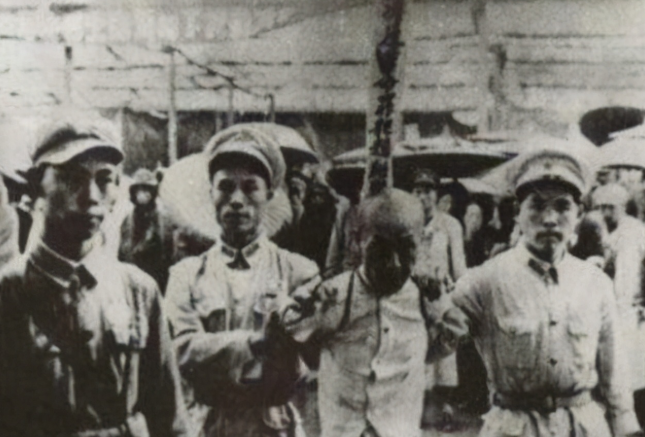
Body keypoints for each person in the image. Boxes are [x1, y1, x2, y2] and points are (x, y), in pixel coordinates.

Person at [0, 117, 191, 437]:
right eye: (72, 179)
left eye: (105, 179)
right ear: (36, 186)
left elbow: (169, 420)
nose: (90, 196)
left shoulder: (138, 291)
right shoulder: (9, 293)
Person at [446, 149, 641, 437]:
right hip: (513, 427)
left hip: (582, 426)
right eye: (537, 206)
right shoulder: (485, 281)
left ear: (579, 214)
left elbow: (615, 373)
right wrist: (432, 305)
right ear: (517, 213)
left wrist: (627, 428)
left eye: (562, 207)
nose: (550, 219)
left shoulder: (595, 283)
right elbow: (437, 340)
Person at [164, 126, 320, 437]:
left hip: (275, 425)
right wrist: (255, 343)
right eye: (225, 187)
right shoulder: (185, 275)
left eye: (250, 188)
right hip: (210, 425)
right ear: (210, 193)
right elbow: (181, 351)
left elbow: (313, 357)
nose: (236, 200)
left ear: (269, 195)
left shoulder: (299, 272)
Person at [282, 188, 467, 437]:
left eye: (406, 248)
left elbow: (443, 343)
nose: (394, 263)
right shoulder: (336, 295)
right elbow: (290, 330)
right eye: (380, 249)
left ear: (420, 242)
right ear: (357, 240)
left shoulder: (424, 298)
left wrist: (440, 306)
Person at [410, 169, 467, 428]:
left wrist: (458, 291)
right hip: (412, 294)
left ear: (437, 194)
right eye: (418, 191)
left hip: (440, 293)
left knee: (444, 350)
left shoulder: (450, 224)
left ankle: (445, 408)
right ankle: (418, 407)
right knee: (417, 348)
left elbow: (459, 265)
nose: (423, 196)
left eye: (428, 191)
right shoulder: (407, 223)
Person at [592, 183, 645, 426]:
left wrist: (617, 308)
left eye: (610, 207)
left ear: (622, 207)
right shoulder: (616, 231)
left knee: (629, 368)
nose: (605, 213)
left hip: (629, 310)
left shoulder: (630, 233)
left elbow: (627, 279)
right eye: (601, 207)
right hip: (625, 308)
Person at [119, 167, 174, 292]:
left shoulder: (163, 219)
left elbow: (167, 253)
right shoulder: (128, 220)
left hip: (156, 277)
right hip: (133, 277)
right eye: (139, 189)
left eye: (146, 189)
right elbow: (123, 253)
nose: (143, 194)